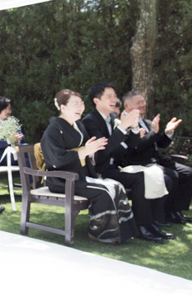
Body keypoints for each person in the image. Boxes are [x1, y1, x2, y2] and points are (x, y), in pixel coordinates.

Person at [40, 90, 145, 245]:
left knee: (116, 186)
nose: (80, 107)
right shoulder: (53, 129)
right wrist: (83, 152)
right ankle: (100, 232)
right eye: (75, 103)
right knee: (102, 192)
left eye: (81, 103)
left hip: (79, 175)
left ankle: (123, 231)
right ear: (63, 107)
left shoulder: (79, 125)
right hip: (62, 179)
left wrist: (90, 152)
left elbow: (89, 152)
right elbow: (56, 159)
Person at [83, 83, 171, 241]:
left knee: (151, 175)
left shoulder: (113, 118)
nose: (114, 99)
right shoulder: (90, 121)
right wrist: (122, 129)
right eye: (109, 96)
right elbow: (103, 151)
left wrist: (135, 128)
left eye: (115, 96)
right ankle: (142, 226)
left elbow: (131, 143)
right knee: (140, 178)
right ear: (97, 101)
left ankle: (151, 223)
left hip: (117, 166)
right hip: (100, 170)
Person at [122, 91, 192, 225]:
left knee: (191, 174)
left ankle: (176, 211)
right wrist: (153, 132)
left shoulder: (146, 122)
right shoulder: (125, 124)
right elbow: (135, 148)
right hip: (140, 163)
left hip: (157, 161)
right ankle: (166, 213)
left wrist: (168, 132)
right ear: (127, 106)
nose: (143, 104)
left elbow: (159, 144)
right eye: (138, 102)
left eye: (143, 101)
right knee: (172, 175)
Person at [0, 96, 26, 166]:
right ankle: (34, 173)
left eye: (9, 109)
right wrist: (10, 140)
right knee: (25, 156)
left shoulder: (13, 122)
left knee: (29, 149)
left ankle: (33, 172)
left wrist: (18, 138)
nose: (9, 112)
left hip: (15, 150)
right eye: (6, 109)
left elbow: (22, 137)